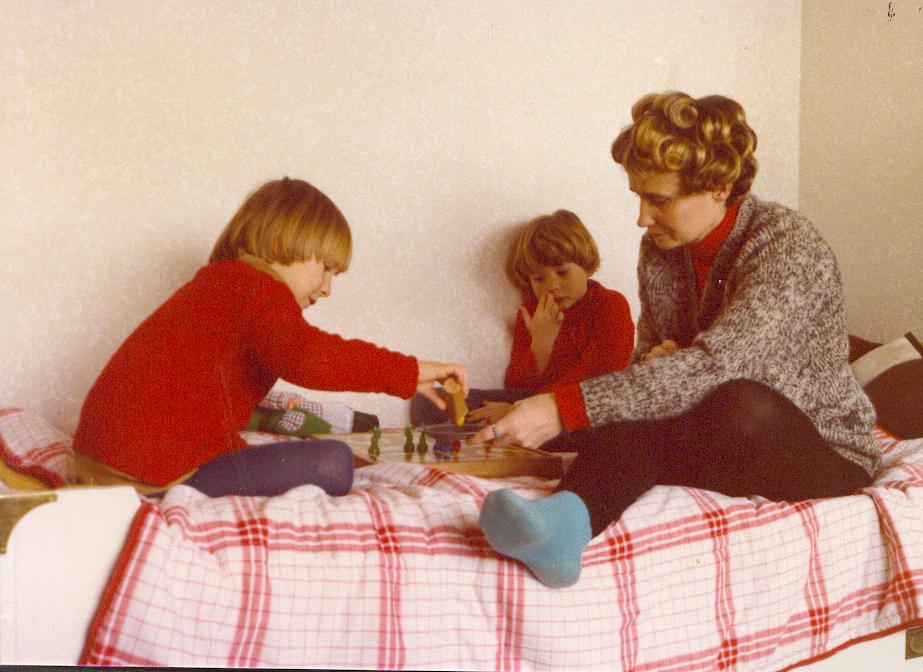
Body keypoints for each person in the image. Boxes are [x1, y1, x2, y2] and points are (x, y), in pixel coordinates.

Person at [471, 92, 881, 588]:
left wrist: (564, 408)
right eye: (639, 198)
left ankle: (575, 506)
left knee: (737, 401)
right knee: (633, 412)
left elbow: (719, 367)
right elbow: (653, 367)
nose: (642, 218)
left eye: (659, 200)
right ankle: (564, 526)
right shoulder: (662, 249)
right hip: (718, 433)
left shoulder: (788, 246)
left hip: (822, 451)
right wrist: (660, 367)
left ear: (719, 188)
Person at [73, 177, 468, 497]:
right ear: (286, 241)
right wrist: (409, 371)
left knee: (296, 454)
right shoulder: (257, 290)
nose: (327, 289)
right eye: (326, 269)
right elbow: (312, 359)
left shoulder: (223, 283)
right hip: (146, 472)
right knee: (335, 462)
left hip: (100, 459)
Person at [411, 209, 634, 426]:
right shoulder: (531, 312)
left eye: (562, 272)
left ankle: (512, 426)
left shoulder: (610, 304)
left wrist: (522, 410)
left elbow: (598, 379)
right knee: (429, 401)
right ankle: (506, 427)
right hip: (533, 401)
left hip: (583, 408)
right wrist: (540, 345)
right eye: (539, 278)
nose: (552, 286)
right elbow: (515, 384)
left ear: (586, 266)